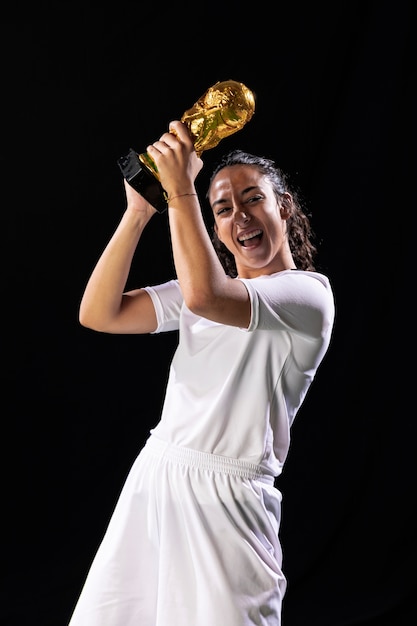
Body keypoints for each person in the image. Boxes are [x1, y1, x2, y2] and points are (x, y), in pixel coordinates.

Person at [68, 120, 335, 626]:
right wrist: (139, 213)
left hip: (229, 505)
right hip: (157, 477)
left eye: (254, 198)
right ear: (214, 230)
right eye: (223, 208)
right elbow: (99, 314)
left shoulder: (308, 296)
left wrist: (181, 189)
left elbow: (207, 296)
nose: (241, 216)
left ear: (285, 207)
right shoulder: (202, 289)